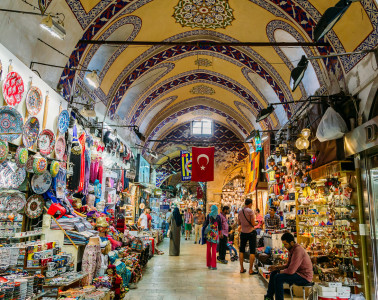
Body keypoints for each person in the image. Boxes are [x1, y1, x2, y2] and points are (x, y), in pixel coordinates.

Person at [265, 232, 313, 300]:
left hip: (304, 277)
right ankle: (269, 297)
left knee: (278, 278)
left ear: (292, 242)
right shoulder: (291, 249)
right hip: (297, 273)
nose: (284, 246)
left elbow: (291, 271)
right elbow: (288, 265)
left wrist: (279, 271)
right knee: (273, 274)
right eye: (283, 244)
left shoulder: (298, 250)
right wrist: (276, 268)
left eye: (286, 244)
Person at [238, 198, 258, 275]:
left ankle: (242, 268)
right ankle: (250, 270)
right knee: (252, 251)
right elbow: (253, 223)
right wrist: (257, 223)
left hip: (243, 233)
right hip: (251, 233)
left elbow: (239, 222)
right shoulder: (250, 211)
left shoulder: (240, 211)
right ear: (250, 204)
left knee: (241, 250)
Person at [203, 205, 221, 270]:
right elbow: (220, 227)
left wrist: (203, 231)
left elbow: (205, 224)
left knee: (208, 249)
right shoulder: (218, 217)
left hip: (209, 234)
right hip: (215, 235)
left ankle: (208, 264)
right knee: (214, 249)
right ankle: (214, 265)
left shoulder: (209, 215)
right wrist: (219, 233)